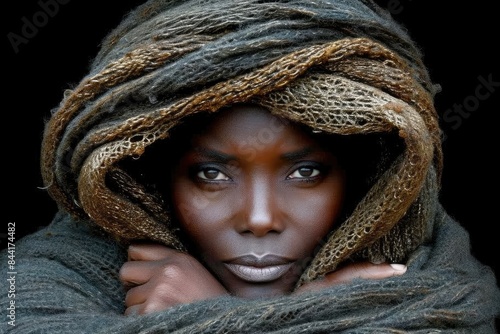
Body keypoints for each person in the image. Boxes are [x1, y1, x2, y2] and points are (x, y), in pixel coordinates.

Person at [2, 0, 499, 332]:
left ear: (367, 182)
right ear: (147, 181)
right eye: (211, 174)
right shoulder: (41, 288)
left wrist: (220, 318)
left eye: (306, 172)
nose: (260, 219)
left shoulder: (440, 290)